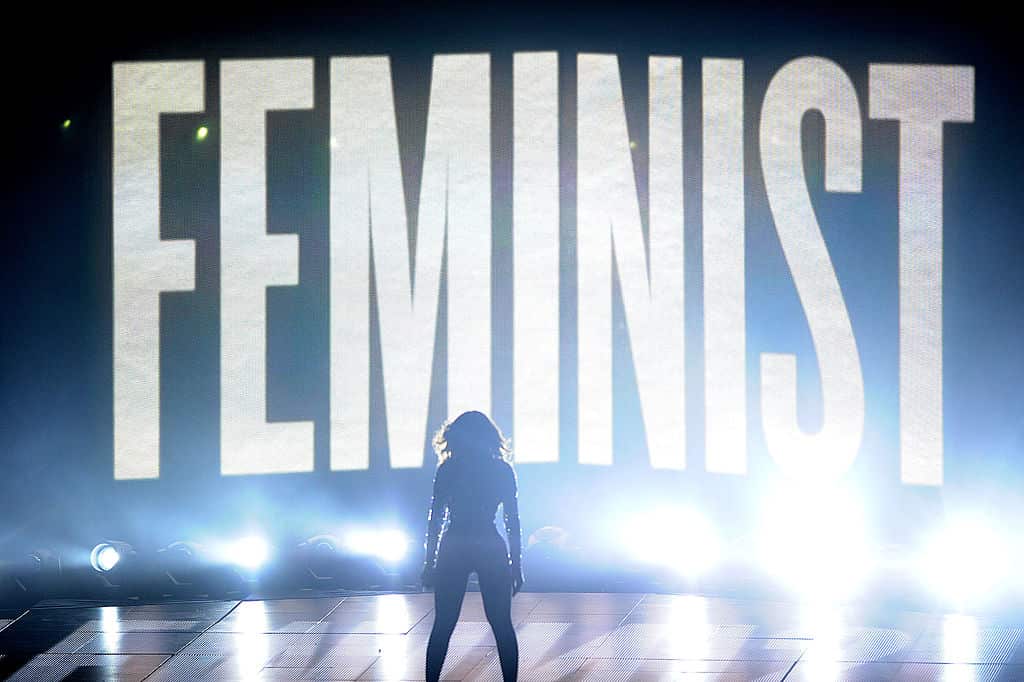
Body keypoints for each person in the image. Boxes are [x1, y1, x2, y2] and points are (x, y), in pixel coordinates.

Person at [421, 411, 523, 682]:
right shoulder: (501, 470)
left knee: (443, 624)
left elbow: (436, 518)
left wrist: (429, 563)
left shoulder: (449, 469)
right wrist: (517, 565)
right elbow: (512, 520)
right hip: (489, 542)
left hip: (455, 543)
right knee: (502, 624)